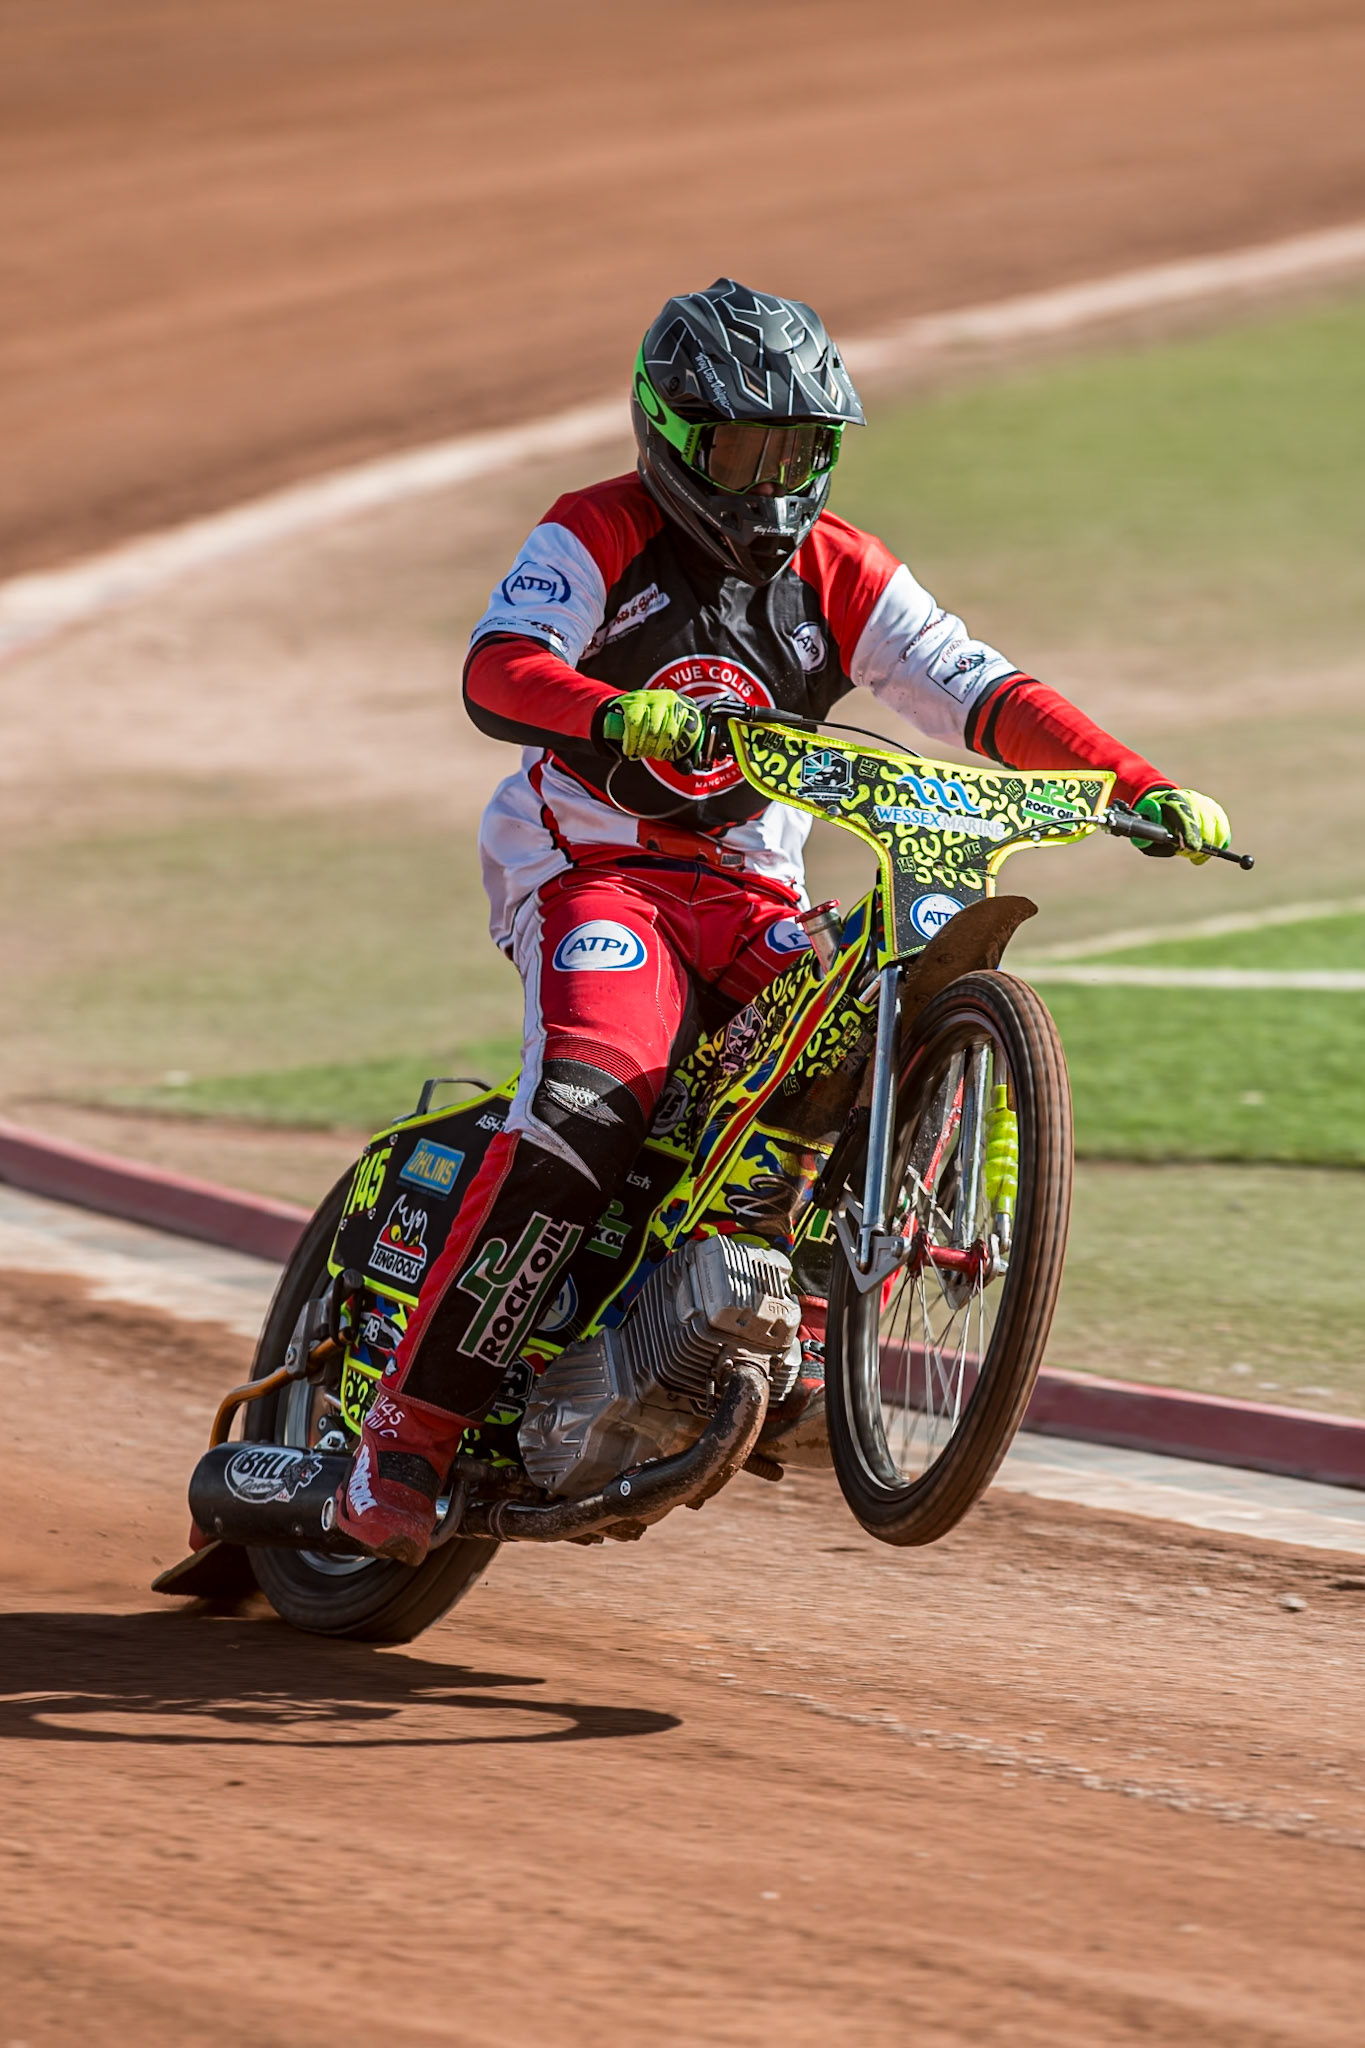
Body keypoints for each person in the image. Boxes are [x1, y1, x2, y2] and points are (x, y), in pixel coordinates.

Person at [336, 278, 1232, 1564]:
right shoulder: (594, 529)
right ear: (669, 433)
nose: (773, 484)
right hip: (595, 871)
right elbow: (497, 665)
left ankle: (785, 1308)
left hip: (752, 888)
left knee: (849, 1036)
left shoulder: (842, 567)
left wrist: (1135, 782)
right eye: (746, 451)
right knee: (597, 1097)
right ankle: (405, 1434)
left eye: (802, 452)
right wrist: (608, 712)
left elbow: (979, 689)